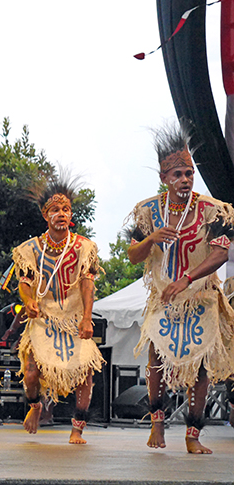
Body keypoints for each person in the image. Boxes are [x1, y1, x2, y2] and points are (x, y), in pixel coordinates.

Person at [127, 122, 234, 454]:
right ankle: (157, 425)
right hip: (163, 297)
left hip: (200, 297)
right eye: (177, 174)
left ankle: (192, 434)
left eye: (189, 173)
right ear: (164, 177)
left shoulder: (213, 209)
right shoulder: (147, 211)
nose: (185, 179)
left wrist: (187, 279)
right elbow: (133, 256)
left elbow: (220, 252)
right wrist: (151, 239)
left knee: (199, 365)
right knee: (156, 358)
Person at [12, 172, 104, 444]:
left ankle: (77, 429)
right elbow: (25, 281)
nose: (61, 213)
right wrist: (28, 301)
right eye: (55, 210)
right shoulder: (30, 249)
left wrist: (87, 318)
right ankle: (35, 407)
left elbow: (88, 283)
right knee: (31, 371)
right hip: (43, 319)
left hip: (74, 319)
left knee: (84, 373)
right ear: (45, 215)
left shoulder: (84, 247)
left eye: (65, 209)